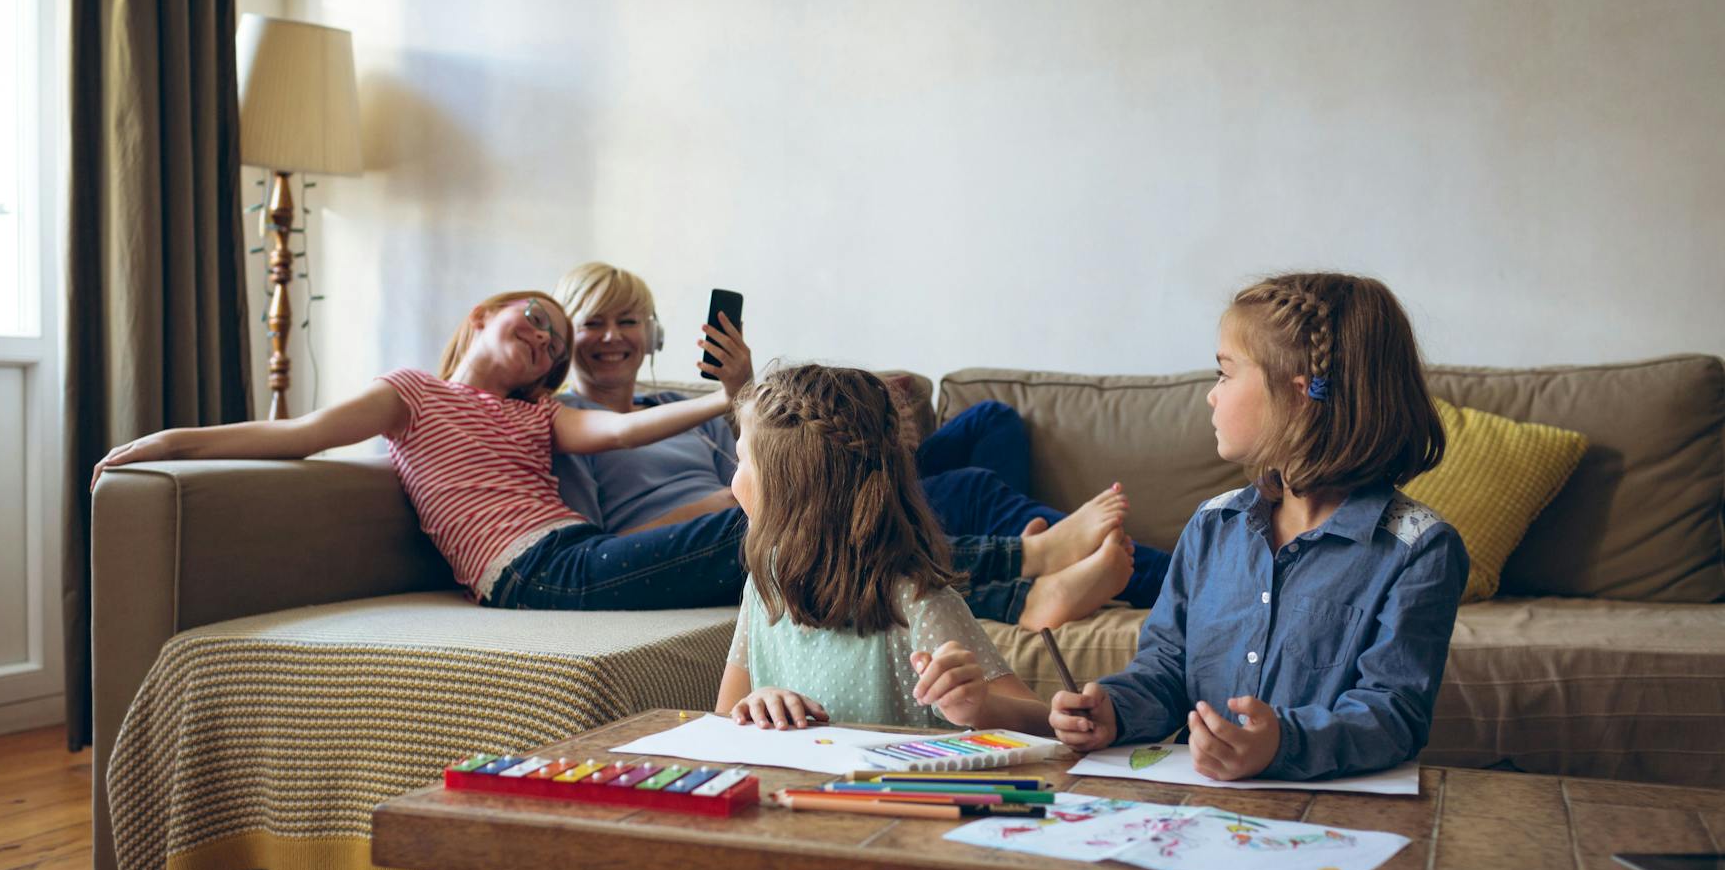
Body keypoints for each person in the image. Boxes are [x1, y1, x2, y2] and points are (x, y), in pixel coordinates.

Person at [1045, 271, 1471, 870]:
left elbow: (1391, 712)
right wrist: (1112, 708)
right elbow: (1164, 672)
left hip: (1326, 867)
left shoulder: (1419, 549)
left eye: (1223, 370)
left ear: (1303, 393)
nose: (1207, 394)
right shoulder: (1210, 528)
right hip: (1194, 853)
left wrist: (1286, 740)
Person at [91, 288, 1118, 618]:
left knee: (784, 532)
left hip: (574, 555)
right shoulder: (410, 394)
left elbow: (628, 426)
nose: (543, 335)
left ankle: (1018, 574)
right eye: (528, 321)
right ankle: (1020, 568)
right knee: (775, 528)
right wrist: (159, 441)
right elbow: (292, 434)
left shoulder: (543, 417)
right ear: (480, 319)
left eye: (551, 333)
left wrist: (723, 396)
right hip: (532, 575)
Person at [714, 363, 1094, 870]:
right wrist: (751, 708)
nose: (732, 479)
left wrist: (978, 705)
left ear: (791, 485)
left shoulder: (912, 596)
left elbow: (1042, 722)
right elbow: (723, 716)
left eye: (741, 460)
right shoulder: (759, 585)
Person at [550, 261, 1165, 619]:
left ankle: (1015, 544)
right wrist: (722, 502)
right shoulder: (569, 425)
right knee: (968, 488)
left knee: (991, 421)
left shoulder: (682, 407)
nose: (612, 336)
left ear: (651, 333)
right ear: (566, 337)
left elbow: (765, 457)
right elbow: (610, 544)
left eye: (626, 320)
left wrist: (739, 389)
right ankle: (1161, 578)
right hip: (734, 525)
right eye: (593, 322)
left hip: (781, 494)